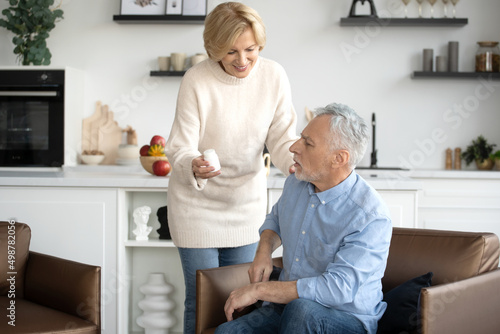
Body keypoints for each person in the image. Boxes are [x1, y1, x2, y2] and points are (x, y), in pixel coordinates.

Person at [164, 2, 298, 333]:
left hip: (245, 208)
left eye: (250, 49)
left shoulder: (274, 76)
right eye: (230, 51)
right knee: (201, 300)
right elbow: (179, 147)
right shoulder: (196, 79)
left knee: (243, 300)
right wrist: (193, 165)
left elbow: (282, 139)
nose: (242, 60)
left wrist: (296, 165)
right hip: (196, 209)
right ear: (214, 49)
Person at [215, 103, 393, 334]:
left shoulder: (370, 216)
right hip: (286, 306)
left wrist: (259, 290)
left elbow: (338, 290)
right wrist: (263, 251)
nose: (294, 147)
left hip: (345, 317)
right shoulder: (296, 182)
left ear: (339, 158)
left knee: (301, 312)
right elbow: (276, 220)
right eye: (301, 137)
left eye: (308, 143)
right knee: (226, 332)